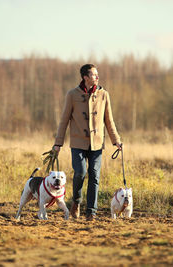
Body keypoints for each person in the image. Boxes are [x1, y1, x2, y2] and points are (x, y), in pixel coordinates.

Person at [53, 64, 122, 221]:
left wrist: (116, 140)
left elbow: (109, 120)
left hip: (97, 144)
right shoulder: (72, 94)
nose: (97, 77)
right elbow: (64, 120)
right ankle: (76, 202)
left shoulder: (104, 95)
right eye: (94, 75)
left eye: (97, 74)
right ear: (85, 77)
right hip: (78, 143)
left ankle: (91, 212)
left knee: (94, 175)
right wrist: (58, 143)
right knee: (80, 173)